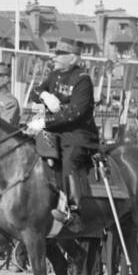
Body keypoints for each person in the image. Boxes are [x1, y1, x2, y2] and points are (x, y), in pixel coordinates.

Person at [26, 38, 99, 230]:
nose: (54, 57)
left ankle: (74, 211)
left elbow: (76, 113)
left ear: (73, 58)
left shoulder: (83, 79)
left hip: (78, 134)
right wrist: (44, 95)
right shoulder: (54, 75)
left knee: (70, 161)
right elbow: (35, 91)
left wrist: (45, 121)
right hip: (54, 131)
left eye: (59, 54)